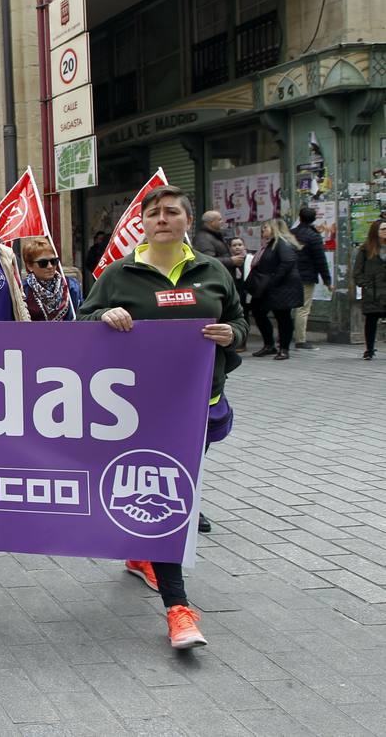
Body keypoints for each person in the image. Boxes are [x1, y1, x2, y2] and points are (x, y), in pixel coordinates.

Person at [78, 185, 246, 649]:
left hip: (198, 408)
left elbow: (241, 322)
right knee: (170, 497)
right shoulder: (118, 274)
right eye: (153, 213)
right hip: (139, 412)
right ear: (143, 223)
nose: (162, 219)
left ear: (187, 221)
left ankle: (139, 554)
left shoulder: (212, 272)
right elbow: (81, 323)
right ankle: (178, 608)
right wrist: (103, 317)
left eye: (172, 212)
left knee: (172, 493)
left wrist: (232, 333)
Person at [249, 218, 303, 360]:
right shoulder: (270, 244)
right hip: (270, 287)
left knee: (282, 316)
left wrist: (274, 280)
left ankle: (284, 348)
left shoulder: (282, 243)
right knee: (258, 312)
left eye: (265, 228)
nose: (263, 230)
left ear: (274, 228)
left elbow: (288, 261)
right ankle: (269, 345)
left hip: (282, 287)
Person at [291, 206, 332, 348]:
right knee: (303, 308)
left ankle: (287, 335)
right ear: (314, 219)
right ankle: (300, 340)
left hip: (290, 275)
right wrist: (327, 280)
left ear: (300, 217)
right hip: (306, 276)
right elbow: (320, 260)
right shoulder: (313, 236)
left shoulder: (291, 234)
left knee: (290, 306)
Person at [20, 237, 83, 321]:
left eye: (53, 261)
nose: (50, 266)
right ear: (29, 266)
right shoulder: (22, 291)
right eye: (43, 263)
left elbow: (82, 315)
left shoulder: (71, 286)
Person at [352, 219, 385, 360]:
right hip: (373, 291)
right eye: (383, 229)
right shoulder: (366, 249)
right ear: (375, 232)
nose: (385, 231)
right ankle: (369, 349)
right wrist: (365, 284)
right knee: (371, 320)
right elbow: (357, 271)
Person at [193, 211, 236, 278]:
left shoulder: (215, 235)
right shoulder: (203, 239)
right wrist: (231, 261)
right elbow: (207, 261)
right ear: (211, 222)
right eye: (219, 219)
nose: (222, 222)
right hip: (216, 278)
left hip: (223, 276)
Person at [229, 237, 252, 351]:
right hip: (235, 294)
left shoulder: (250, 259)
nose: (237, 247)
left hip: (246, 294)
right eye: (234, 245)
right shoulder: (229, 262)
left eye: (240, 244)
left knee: (245, 317)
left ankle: (243, 342)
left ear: (244, 246)